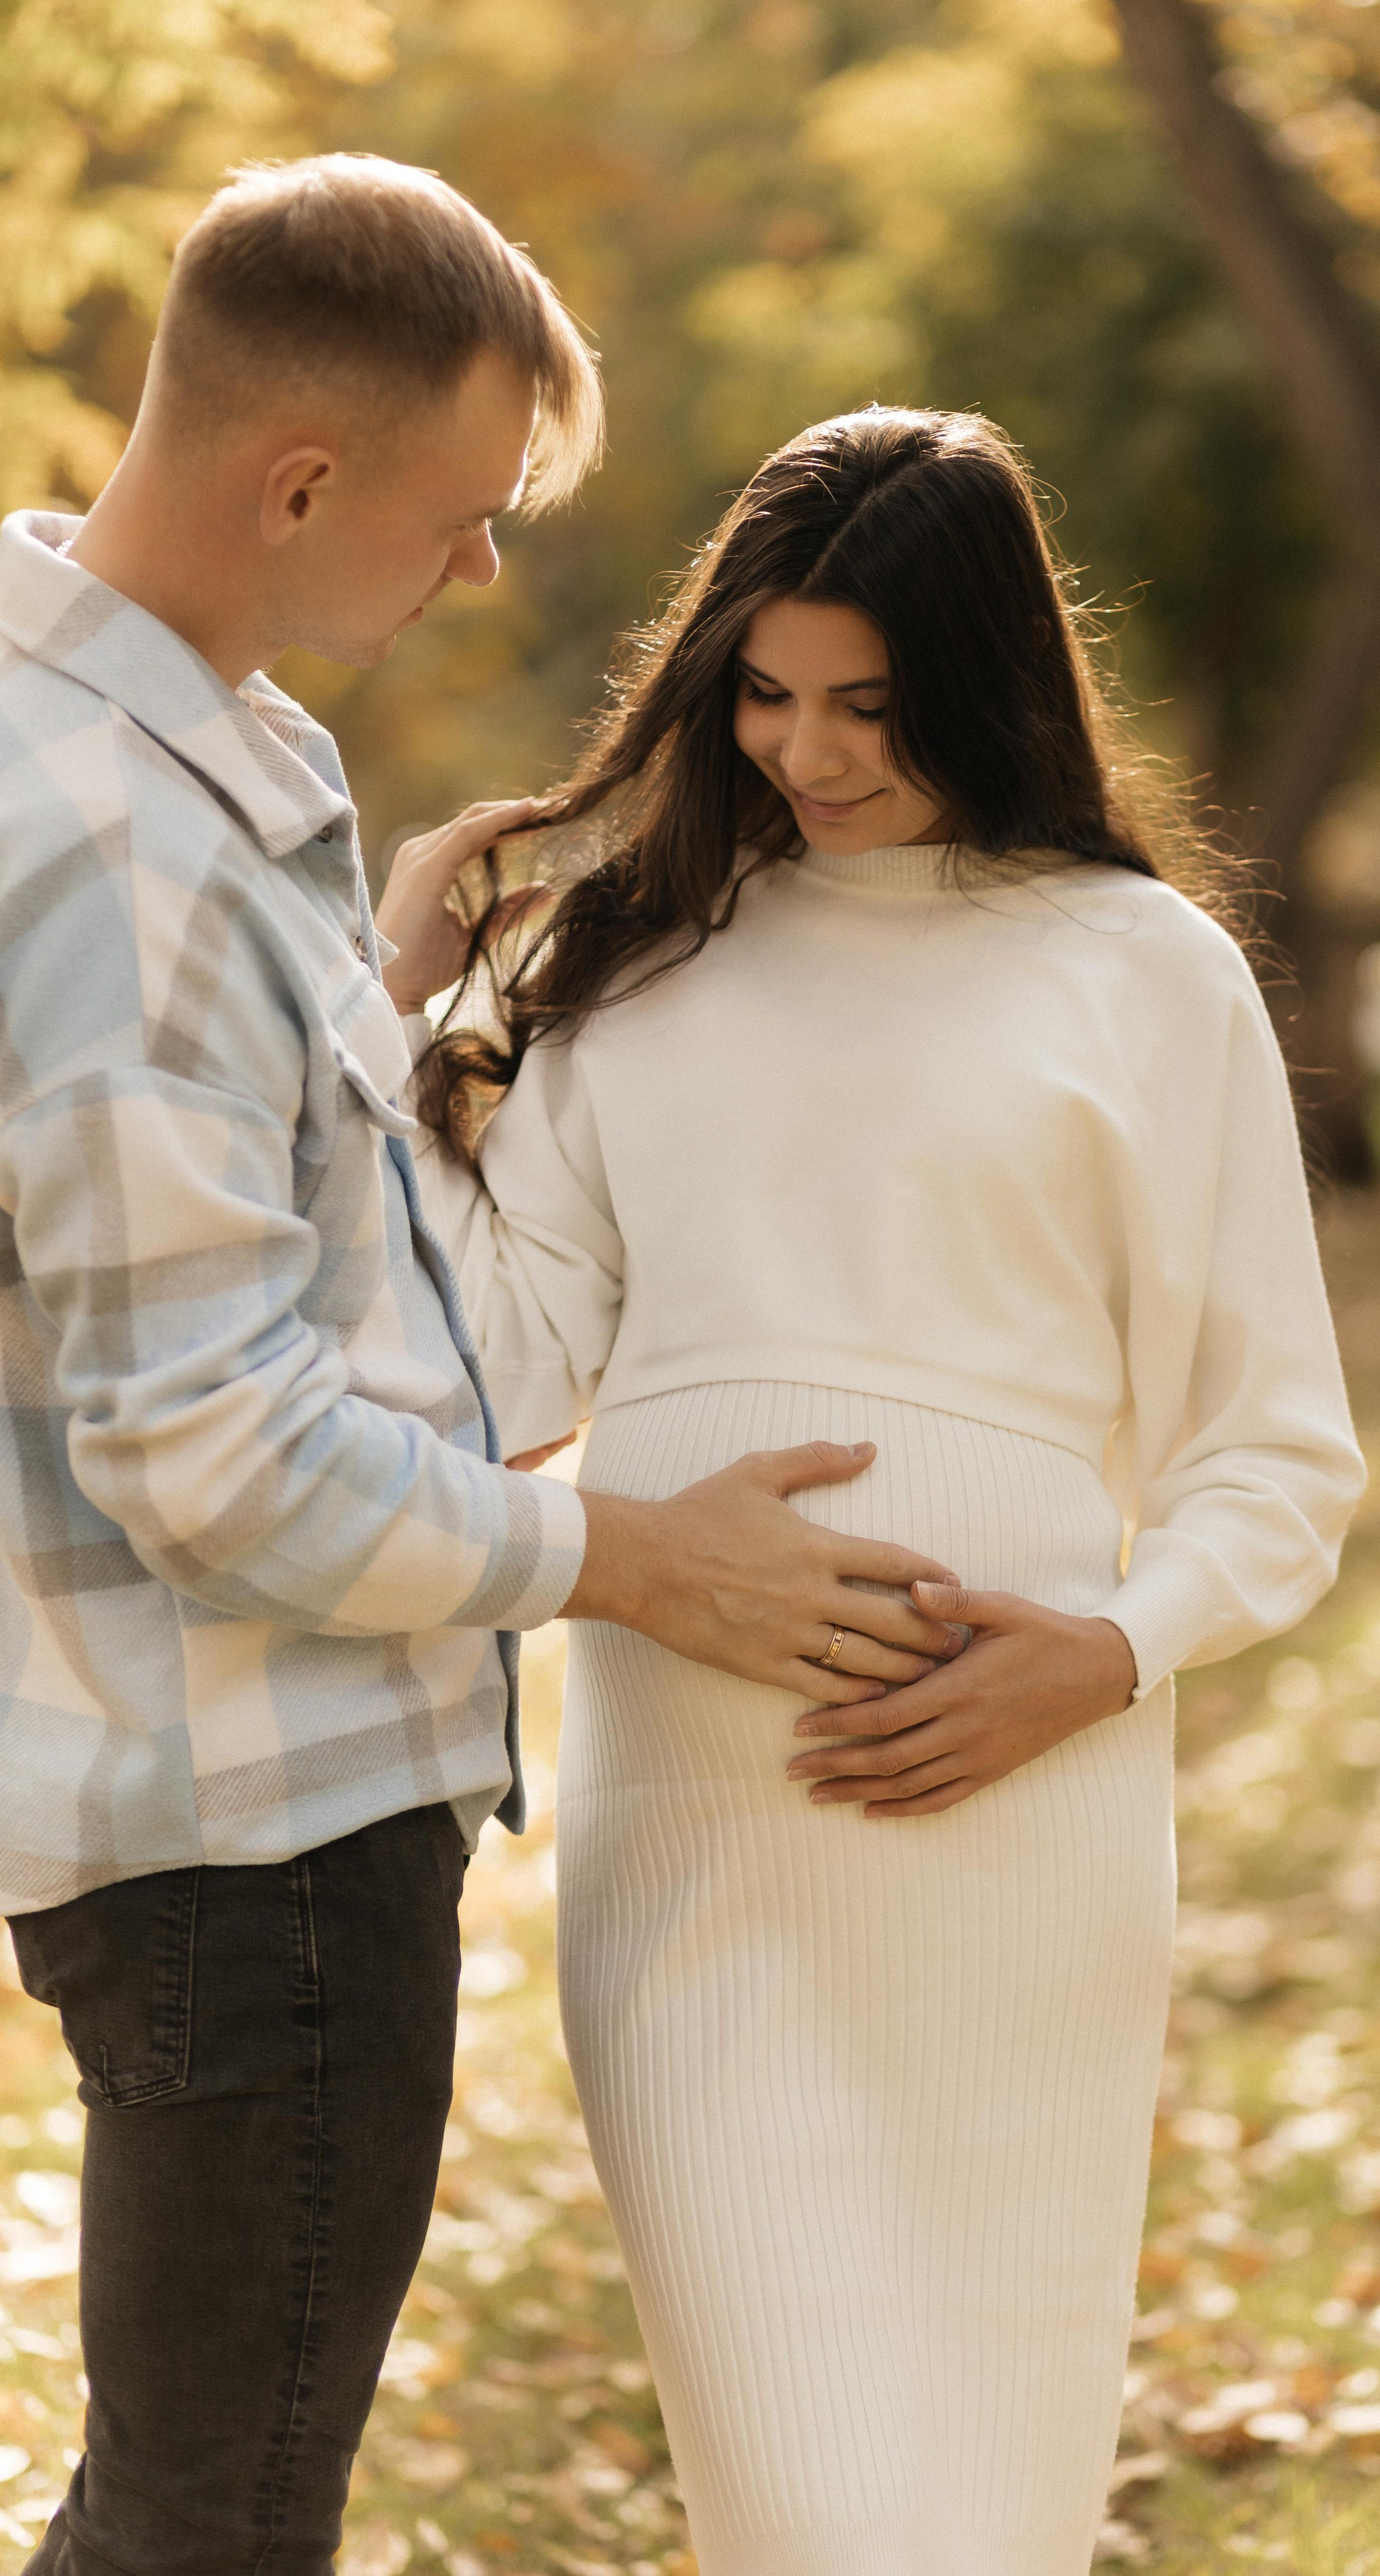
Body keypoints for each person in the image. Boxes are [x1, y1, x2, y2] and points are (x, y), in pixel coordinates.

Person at [0, 165, 963, 2576]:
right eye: (459, 520)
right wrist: (631, 1564)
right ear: (299, 483)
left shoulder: (180, 749)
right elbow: (214, 1451)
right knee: (207, 2530)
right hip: (259, 1838)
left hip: (230, 1811)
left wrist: (392, 991)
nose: (479, 576)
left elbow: (243, 1240)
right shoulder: (116, 852)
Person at [387, 405, 1369, 2576]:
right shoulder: (639, 962)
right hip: (701, 1836)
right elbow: (474, 1362)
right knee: (799, 2502)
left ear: (991, 684)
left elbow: (1277, 1452)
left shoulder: (1143, 972)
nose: (805, 755)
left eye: (869, 706)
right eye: (762, 692)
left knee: (975, 2511)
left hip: (1016, 1837)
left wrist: (1107, 1657)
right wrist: (413, 1012)